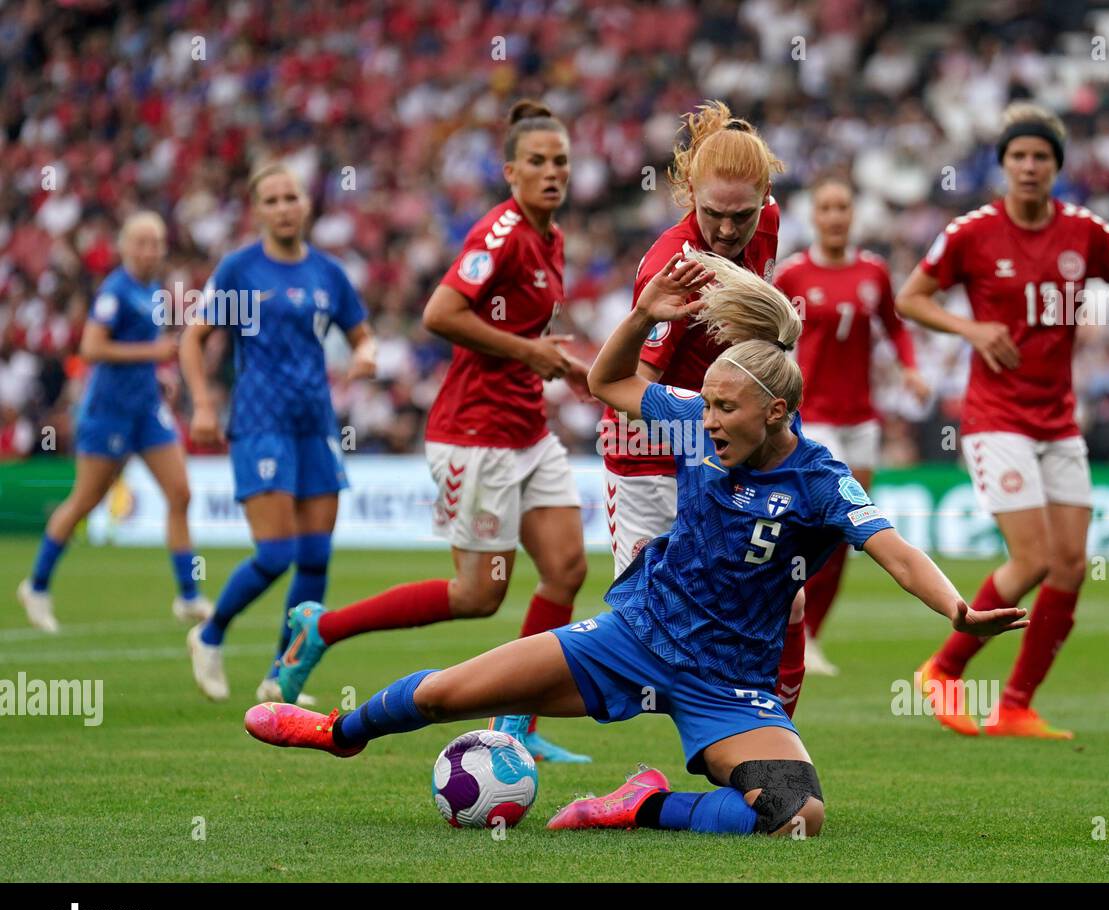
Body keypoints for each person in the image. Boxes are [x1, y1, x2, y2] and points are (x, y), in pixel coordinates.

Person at [244, 252, 1026, 838]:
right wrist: (645, 314)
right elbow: (607, 381)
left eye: (727, 409)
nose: (709, 419)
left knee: (798, 816)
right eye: (708, 403)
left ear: (778, 412)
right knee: (453, 692)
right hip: (634, 635)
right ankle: (339, 733)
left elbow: (892, 549)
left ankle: (643, 802)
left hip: (730, 684)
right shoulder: (691, 420)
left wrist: (957, 609)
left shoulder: (819, 477)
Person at [275, 101, 591, 763]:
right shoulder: (499, 232)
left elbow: (519, 333)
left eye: (560, 160)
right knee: (478, 596)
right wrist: (529, 352)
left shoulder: (551, 238)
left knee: (565, 568)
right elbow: (439, 313)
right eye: (536, 161)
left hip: (526, 428)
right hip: (475, 433)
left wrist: (556, 356)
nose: (551, 171)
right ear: (509, 171)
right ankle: (321, 626)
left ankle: (516, 727)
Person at [895, 103, 1109, 739]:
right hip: (996, 419)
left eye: (1041, 157)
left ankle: (1015, 703)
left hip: (1058, 421)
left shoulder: (1086, 232)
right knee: (1037, 557)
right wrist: (971, 327)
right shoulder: (972, 233)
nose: (1029, 166)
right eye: (1018, 156)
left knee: (1071, 564)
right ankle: (942, 668)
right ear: (1003, 164)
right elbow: (910, 298)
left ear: (1056, 167)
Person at [599, 100, 809, 714]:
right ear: (690, 192)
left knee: (784, 598)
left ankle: (773, 747)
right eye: (711, 213)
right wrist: (727, 407)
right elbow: (635, 387)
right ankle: (511, 713)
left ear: (765, 196)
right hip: (653, 459)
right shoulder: (678, 264)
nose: (723, 230)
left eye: (739, 216)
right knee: (641, 636)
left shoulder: (767, 219)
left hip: (727, 447)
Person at [178, 162, 377, 702]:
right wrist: (200, 402)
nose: (284, 207)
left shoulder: (328, 273)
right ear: (257, 210)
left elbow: (363, 335)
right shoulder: (241, 269)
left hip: (315, 423)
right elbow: (193, 339)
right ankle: (210, 632)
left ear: (306, 205)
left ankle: (280, 676)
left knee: (315, 555)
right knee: (275, 552)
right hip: (260, 422)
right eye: (272, 200)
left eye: (292, 197)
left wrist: (366, 354)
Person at [18, 212, 211, 632]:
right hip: (108, 413)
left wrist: (160, 376)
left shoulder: (152, 289)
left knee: (180, 492)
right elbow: (91, 348)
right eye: (141, 242)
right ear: (124, 247)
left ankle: (189, 595)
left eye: (156, 242)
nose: (149, 250)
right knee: (86, 500)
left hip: (146, 410)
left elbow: (143, 349)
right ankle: (36, 584)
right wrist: (154, 355)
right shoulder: (115, 291)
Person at [774, 173, 930, 676]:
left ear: (852, 215)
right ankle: (786, 625)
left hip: (862, 419)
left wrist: (909, 368)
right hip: (814, 416)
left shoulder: (874, 272)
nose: (836, 216)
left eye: (843, 207)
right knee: (810, 525)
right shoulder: (793, 276)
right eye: (827, 208)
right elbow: (771, 338)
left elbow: (895, 325)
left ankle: (811, 633)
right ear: (815, 216)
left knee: (846, 532)